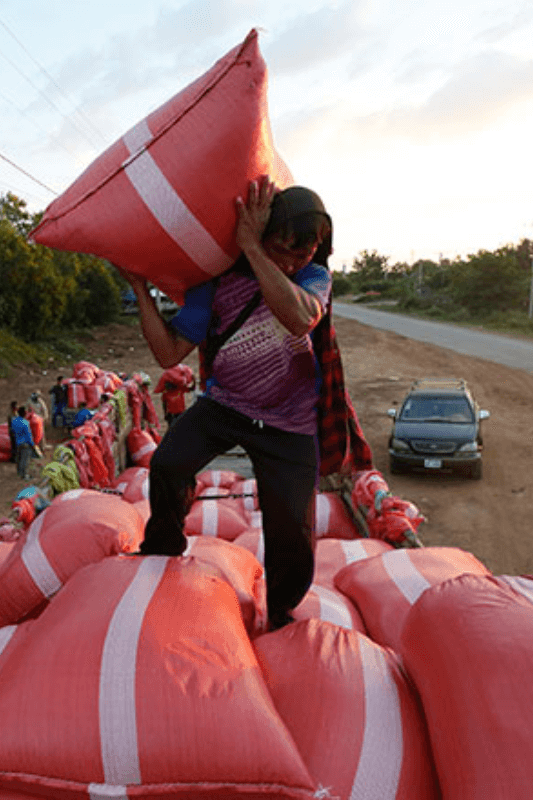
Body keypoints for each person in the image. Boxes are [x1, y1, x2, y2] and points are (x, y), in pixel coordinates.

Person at [116, 177, 372, 632]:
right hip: (226, 407)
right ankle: (162, 551)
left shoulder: (314, 279)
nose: (293, 262)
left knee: (291, 528)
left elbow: (298, 319)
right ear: (261, 236)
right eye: (283, 250)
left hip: (290, 424)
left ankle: (281, 612)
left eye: (303, 252)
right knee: (169, 464)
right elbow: (169, 352)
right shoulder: (216, 284)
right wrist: (139, 289)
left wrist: (254, 248)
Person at [10, 406, 35, 480]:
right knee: (25, 460)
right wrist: (32, 444)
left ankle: (19, 473)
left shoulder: (14, 421)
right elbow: (28, 435)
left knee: (19, 459)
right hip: (25, 444)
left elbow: (13, 431)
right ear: (24, 413)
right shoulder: (25, 423)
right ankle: (24, 475)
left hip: (17, 442)